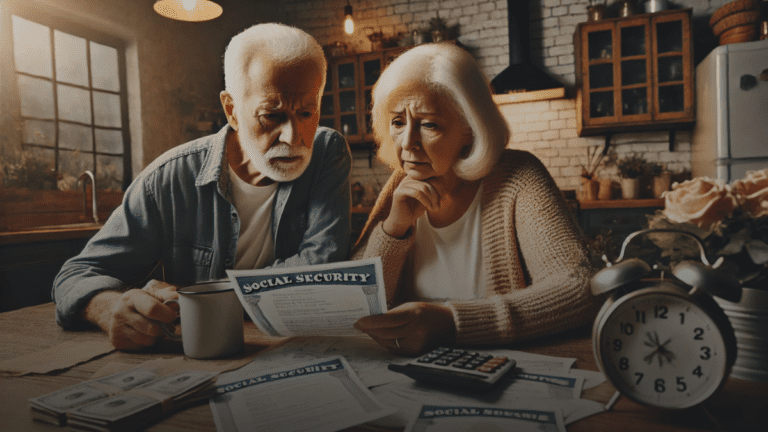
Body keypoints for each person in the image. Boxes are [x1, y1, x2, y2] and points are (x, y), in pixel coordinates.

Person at [53, 23, 352, 351]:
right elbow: (76, 275)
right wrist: (110, 309)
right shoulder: (169, 179)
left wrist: (196, 298)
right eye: (271, 115)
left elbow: (323, 265)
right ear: (232, 110)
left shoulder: (327, 153)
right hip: (202, 356)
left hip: (296, 349)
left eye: (307, 113)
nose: (293, 138)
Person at [351, 43, 601, 356]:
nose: (409, 143)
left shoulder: (518, 176)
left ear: (470, 128)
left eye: (429, 124)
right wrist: (393, 228)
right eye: (398, 122)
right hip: (409, 373)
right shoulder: (399, 184)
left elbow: (581, 287)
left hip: (504, 367)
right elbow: (353, 302)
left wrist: (453, 324)